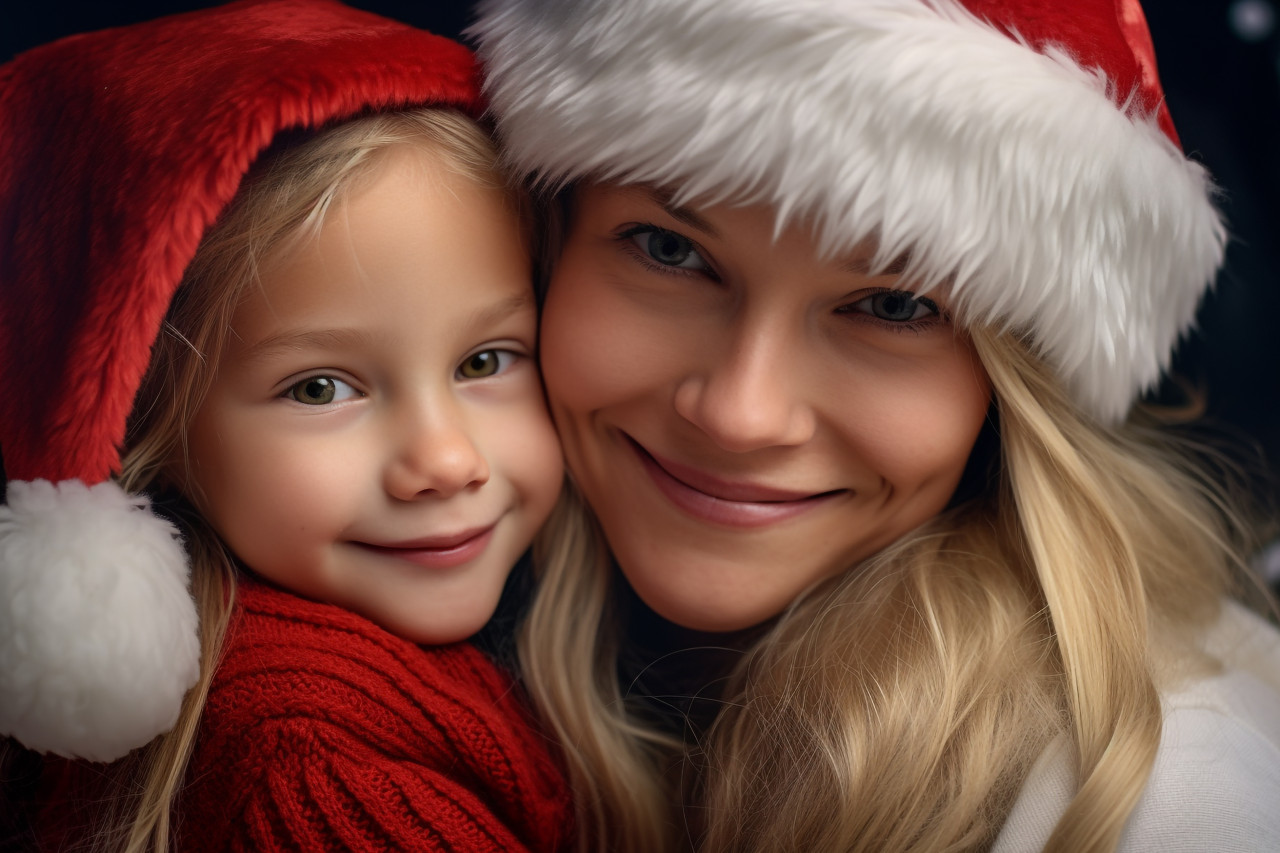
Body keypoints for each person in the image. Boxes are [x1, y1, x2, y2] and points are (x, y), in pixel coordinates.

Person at [470, 0, 1280, 850]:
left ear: (1016, 386)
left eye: (893, 306)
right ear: (546, 246)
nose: (741, 414)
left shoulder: (1149, 803)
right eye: (669, 250)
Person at [0, 1, 571, 850]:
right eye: (319, 388)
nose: (446, 460)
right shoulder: (319, 777)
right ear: (152, 425)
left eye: (485, 361)